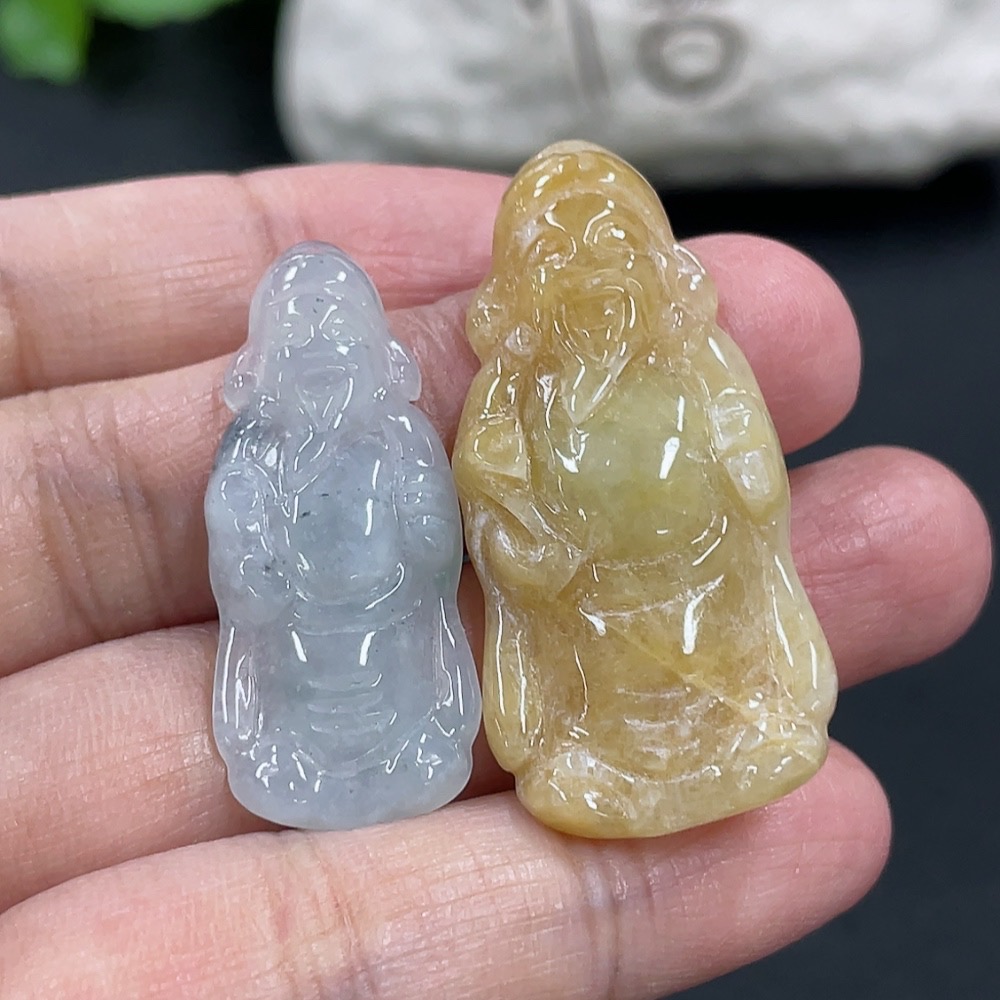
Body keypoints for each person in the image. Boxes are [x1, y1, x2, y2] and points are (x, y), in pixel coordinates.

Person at [0, 162, 991, 999]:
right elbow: (478, 518)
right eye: (561, 259)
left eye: (614, 250)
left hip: (693, 591)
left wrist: (722, 507)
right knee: (454, 678)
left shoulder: (694, 365)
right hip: (425, 630)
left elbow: (743, 492)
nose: (591, 277)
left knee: (708, 670)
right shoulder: (482, 401)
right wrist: (528, 556)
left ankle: (724, 735)